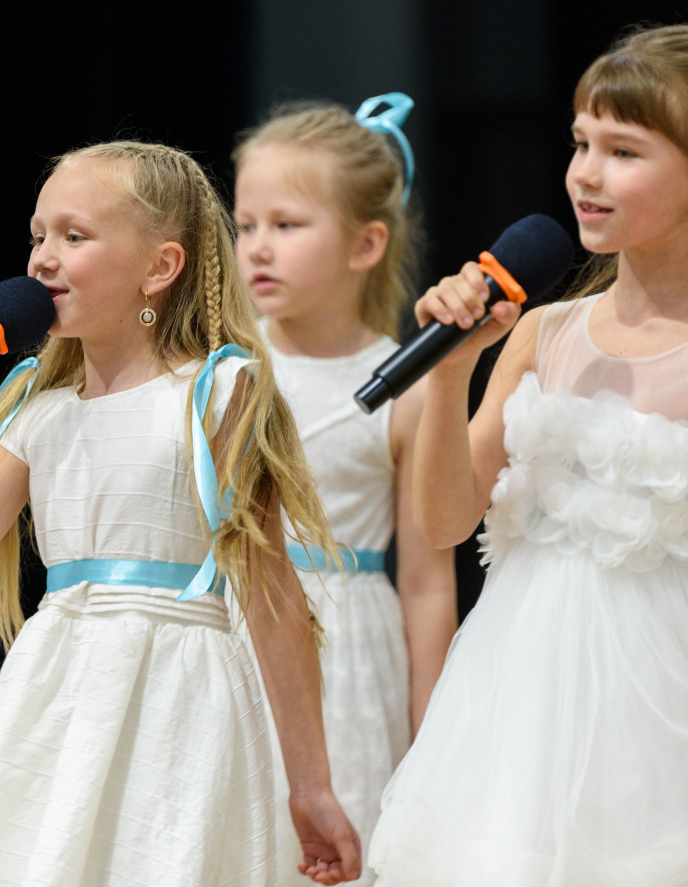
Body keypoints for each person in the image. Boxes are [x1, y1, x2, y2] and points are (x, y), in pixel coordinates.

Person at [369, 25, 688, 886]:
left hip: (668, 713)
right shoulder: (543, 332)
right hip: (521, 695)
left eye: (623, 151)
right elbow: (443, 519)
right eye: (581, 142)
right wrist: (453, 369)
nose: (586, 172)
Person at [0, 140, 362, 885]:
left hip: (179, 694)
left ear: (160, 266)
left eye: (74, 236)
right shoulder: (38, 411)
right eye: (38, 236)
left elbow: (272, 593)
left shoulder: (217, 391)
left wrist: (310, 784)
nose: (43, 258)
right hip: (56, 694)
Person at [233, 95, 456, 884]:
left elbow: (427, 582)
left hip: (348, 653)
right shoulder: (221, 368)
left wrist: (433, 733)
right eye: (245, 225)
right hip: (230, 631)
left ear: (366, 243)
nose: (258, 247)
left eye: (287, 224)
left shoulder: (405, 388)